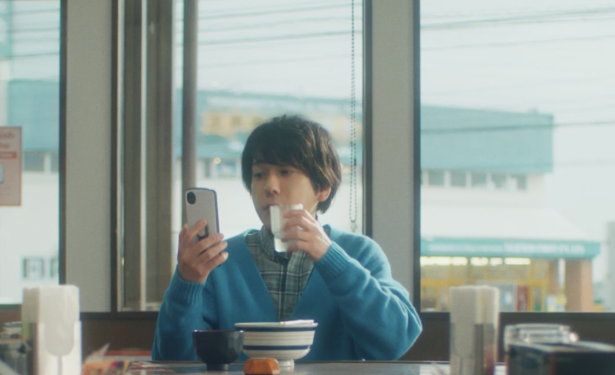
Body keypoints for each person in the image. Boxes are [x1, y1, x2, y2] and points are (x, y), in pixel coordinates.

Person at [152, 115, 421, 362]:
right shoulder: (220, 260)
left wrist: (330, 258)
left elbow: (394, 342)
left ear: (322, 188)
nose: (270, 186)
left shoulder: (359, 253)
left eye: (285, 172)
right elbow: (177, 361)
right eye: (259, 175)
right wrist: (186, 283)